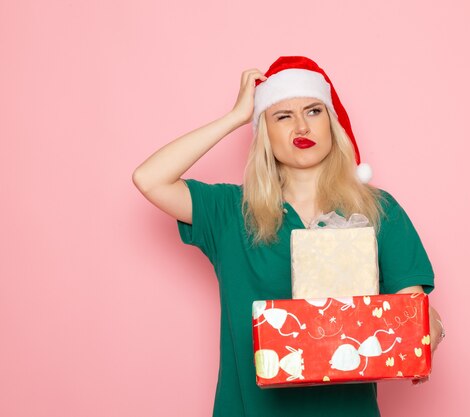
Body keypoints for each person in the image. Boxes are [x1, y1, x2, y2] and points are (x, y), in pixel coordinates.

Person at [133, 56, 444, 417]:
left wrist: (428, 328)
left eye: (313, 111)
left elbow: (411, 311)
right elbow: (149, 178)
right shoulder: (231, 212)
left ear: (332, 123)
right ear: (264, 131)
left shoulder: (378, 210)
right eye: (282, 115)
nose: (302, 126)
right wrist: (234, 117)